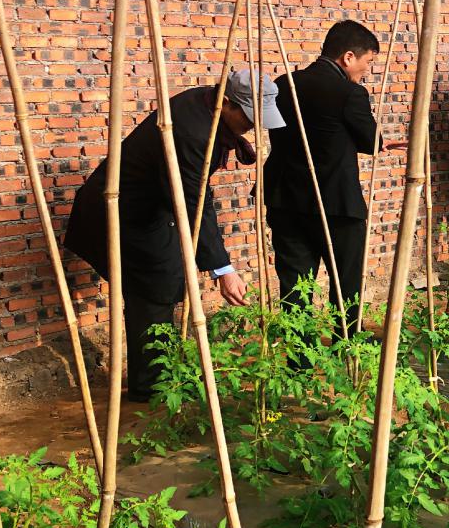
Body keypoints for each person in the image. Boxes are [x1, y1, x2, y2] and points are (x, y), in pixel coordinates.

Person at [65, 69, 285, 401]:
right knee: (156, 286)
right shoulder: (192, 131)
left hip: (150, 208)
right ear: (225, 103)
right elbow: (194, 202)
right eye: (249, 117)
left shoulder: (204, 104)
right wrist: (222, 270)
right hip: (120, 212)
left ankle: (161, 375)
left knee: (163, 282)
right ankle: (152, 388)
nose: (253, 126)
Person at [264, 20, 404, 340]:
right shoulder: (350, 93)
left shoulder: (283, 83)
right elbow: (368, 141)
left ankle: (300, 354)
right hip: (335, 203)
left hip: (286, 199)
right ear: (349, 57)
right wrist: (379, 140)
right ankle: (347, 341)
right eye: (368, 62)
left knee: (295, 283)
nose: (367, 71)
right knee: (345, 280)